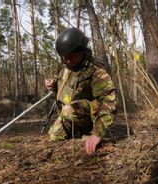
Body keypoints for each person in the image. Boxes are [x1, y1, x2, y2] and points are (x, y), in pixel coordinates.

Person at [45, 27, 117, 155]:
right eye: (64, 58)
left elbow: (109, 100)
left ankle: (89, 134)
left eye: (71, 56)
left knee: (67, 111)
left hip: (88, 116)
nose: (67, 61)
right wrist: (53, 84)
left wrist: (97, 133)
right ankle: (77, 132)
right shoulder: (66, 66)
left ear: (82, 50)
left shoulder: (96, 70)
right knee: (53, 136)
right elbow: (62, 84)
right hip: (71, 114)